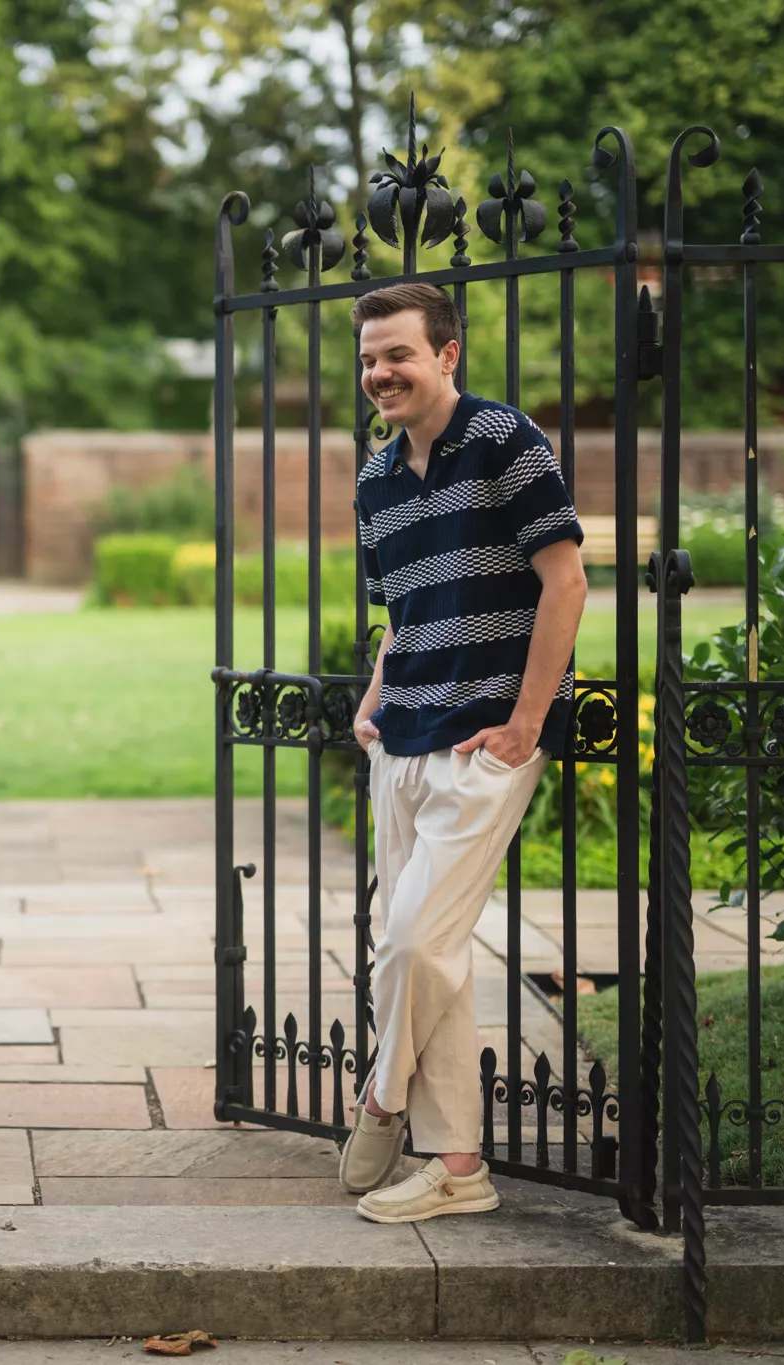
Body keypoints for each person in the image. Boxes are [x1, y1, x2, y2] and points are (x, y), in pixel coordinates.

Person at [338, 282, 585, 1223]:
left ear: (446, 354)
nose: (379, 373)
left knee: (409, 941)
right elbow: (401, 613)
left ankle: (380, 1099)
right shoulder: (375, 477)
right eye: (367, 359)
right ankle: (459, 1168)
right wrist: (371, 700)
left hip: (486, 737)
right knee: (429, 950)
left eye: (396, 354)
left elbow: (566, 582)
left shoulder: (506, 441)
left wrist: (525, 725)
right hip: (400, 735)